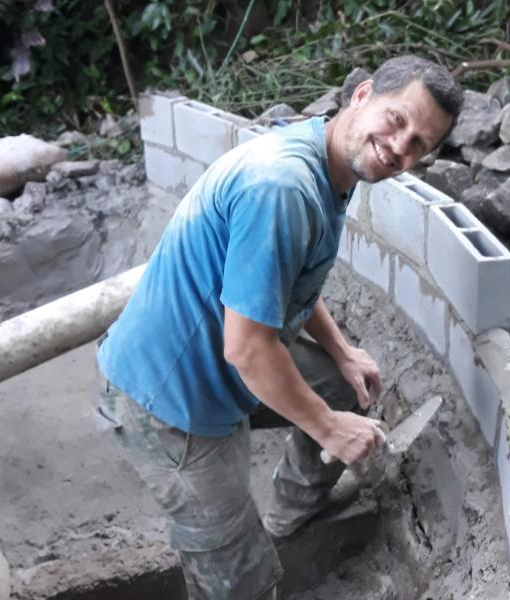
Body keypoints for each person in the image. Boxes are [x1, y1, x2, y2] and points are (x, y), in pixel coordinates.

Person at [97, 55, 462, 599]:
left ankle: (294, 510)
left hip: (224, 366)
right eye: (397, 120)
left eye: (419, 145)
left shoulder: (329, 162)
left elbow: (283, 283)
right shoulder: (284, 186)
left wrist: (341, 352)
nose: (400, 148)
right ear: (362, 96)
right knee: (242, 580)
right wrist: (330, 429)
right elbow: (247, 347)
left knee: (345, 386)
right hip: (171, 402)